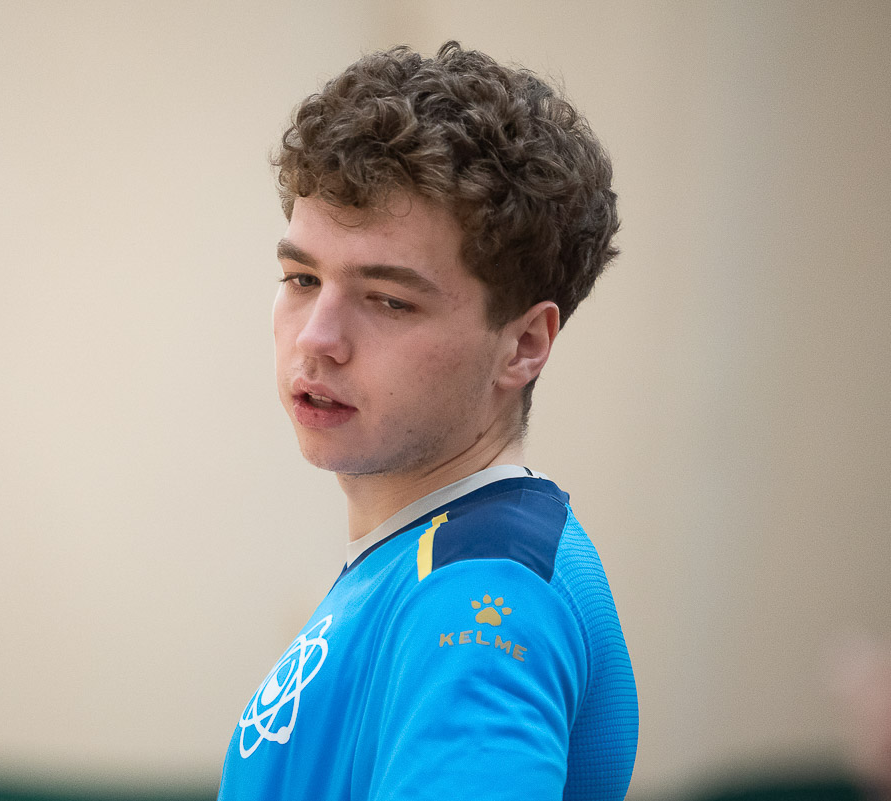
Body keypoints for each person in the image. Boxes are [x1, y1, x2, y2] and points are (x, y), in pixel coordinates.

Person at [218, 41, 638, 800]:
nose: (318, 337)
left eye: (388, 299)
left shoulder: (481, 593)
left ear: (524, 344)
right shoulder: (425, 559)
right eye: (302, 278)